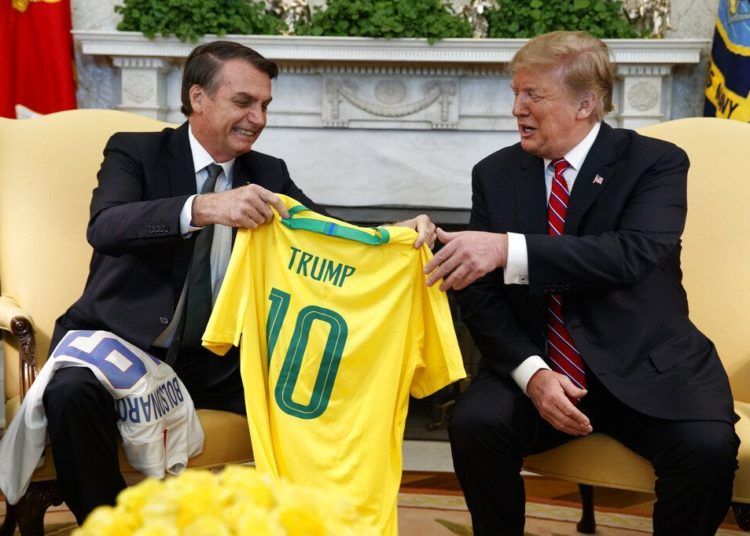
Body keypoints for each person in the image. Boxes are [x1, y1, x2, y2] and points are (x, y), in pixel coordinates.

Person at [42, 40, 435, 524]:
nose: (259, 118)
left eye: (265, 104)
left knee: (321, 400)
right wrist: (203, 208)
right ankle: (107, 527)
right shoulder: (136, 150)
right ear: (198, 98)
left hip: (223, 362)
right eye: (244, 102)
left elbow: (333, 233)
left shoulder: (267, 172)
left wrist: (401, 234)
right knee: (69, 394)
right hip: (126, 345)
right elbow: (106, 225)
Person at [424, 31, 738, 535]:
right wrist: (533, 374)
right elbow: (480, 292)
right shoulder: (496, 173)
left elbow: (632, 253)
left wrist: (509, 248)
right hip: (539, 361)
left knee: (707, 451)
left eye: (533, 95)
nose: (516, 109)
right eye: (515, 93)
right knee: (475, 425)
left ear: (586, 103)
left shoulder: (655, 162)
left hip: (647, 364)